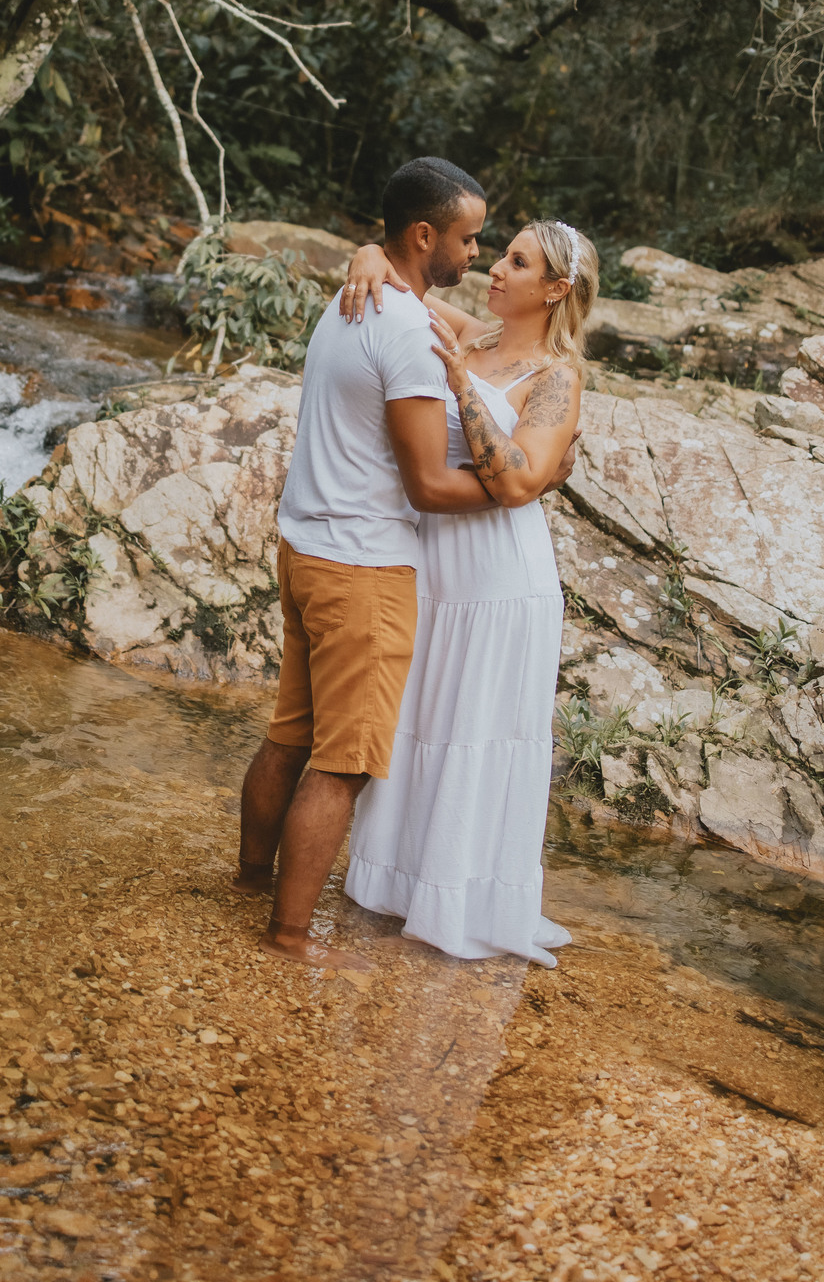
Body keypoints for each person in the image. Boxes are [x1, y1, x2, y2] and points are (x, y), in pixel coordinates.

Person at [236, 157, 504, 972]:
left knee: (290, 736)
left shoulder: (353, 299)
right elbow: (428, 486)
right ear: (424, 236)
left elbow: (479, 335)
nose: (478, 255)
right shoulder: (407, 332)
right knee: (343, 764)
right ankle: (289, 939)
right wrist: (515, 487)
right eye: (469, 238)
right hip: (363, 573)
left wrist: (367, 254)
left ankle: (248, 884)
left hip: (306, 552)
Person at [338, 215, 597, 966]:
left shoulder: (557, 378)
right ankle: (397, 884)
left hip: (500, 579)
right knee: (419, 720)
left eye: (517, 263)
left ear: (555, 289)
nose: (496, 270)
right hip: (434, 566)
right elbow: (399, 284)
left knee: (475, 729)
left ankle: (462, 900)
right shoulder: (475, 337)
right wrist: (366, 253)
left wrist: (460, 385)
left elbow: (518, 481)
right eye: (501, 255)